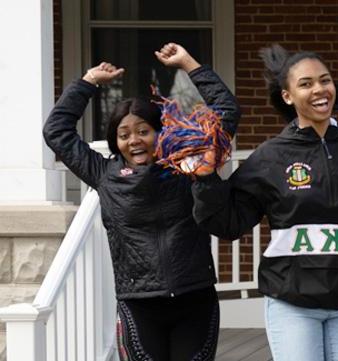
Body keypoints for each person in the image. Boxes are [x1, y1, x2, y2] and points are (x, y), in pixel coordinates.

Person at [42, 43, 237, 361]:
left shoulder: (185, 166)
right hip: (139, 304)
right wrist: (89, 80)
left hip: (195, 299)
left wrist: (188, 64)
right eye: (124, 134)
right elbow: (56, 131)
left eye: (143, 130)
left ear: (160, 132)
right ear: (115, 142)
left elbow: (226, 113)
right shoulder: (104, 173)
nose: (134, 139)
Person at [190, 44, 338, 361]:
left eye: (325, 80)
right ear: (287, 96)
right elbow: (228, 221)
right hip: (293, 302)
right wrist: (205, 178)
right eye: (306, 84)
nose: (320, 90)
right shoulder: (271, 157)